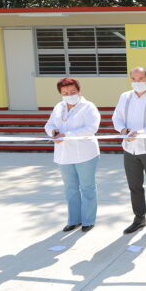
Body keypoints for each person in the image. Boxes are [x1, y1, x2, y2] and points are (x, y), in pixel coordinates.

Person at [112, 67, 146, 235]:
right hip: (130, 149)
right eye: (134, 79)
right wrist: (123, 131)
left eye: (141, 78)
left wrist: (138, 133)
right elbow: (117, 118)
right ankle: (139, 219)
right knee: (134, 187)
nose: (137, 82)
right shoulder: (125, 97)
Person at [44, 77, 101, 233]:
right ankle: (74, 220)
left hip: (85, 154)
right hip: (64, 155)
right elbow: (49, 124)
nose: (69, 95)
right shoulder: (58, 107)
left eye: (72, 91)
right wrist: (53, 132)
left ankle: (88, 220)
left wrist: (66, 135)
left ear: (79, 91)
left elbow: (91, 128)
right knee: (70, 189)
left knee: (87, 187)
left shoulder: (88, 107)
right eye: (65, 92)